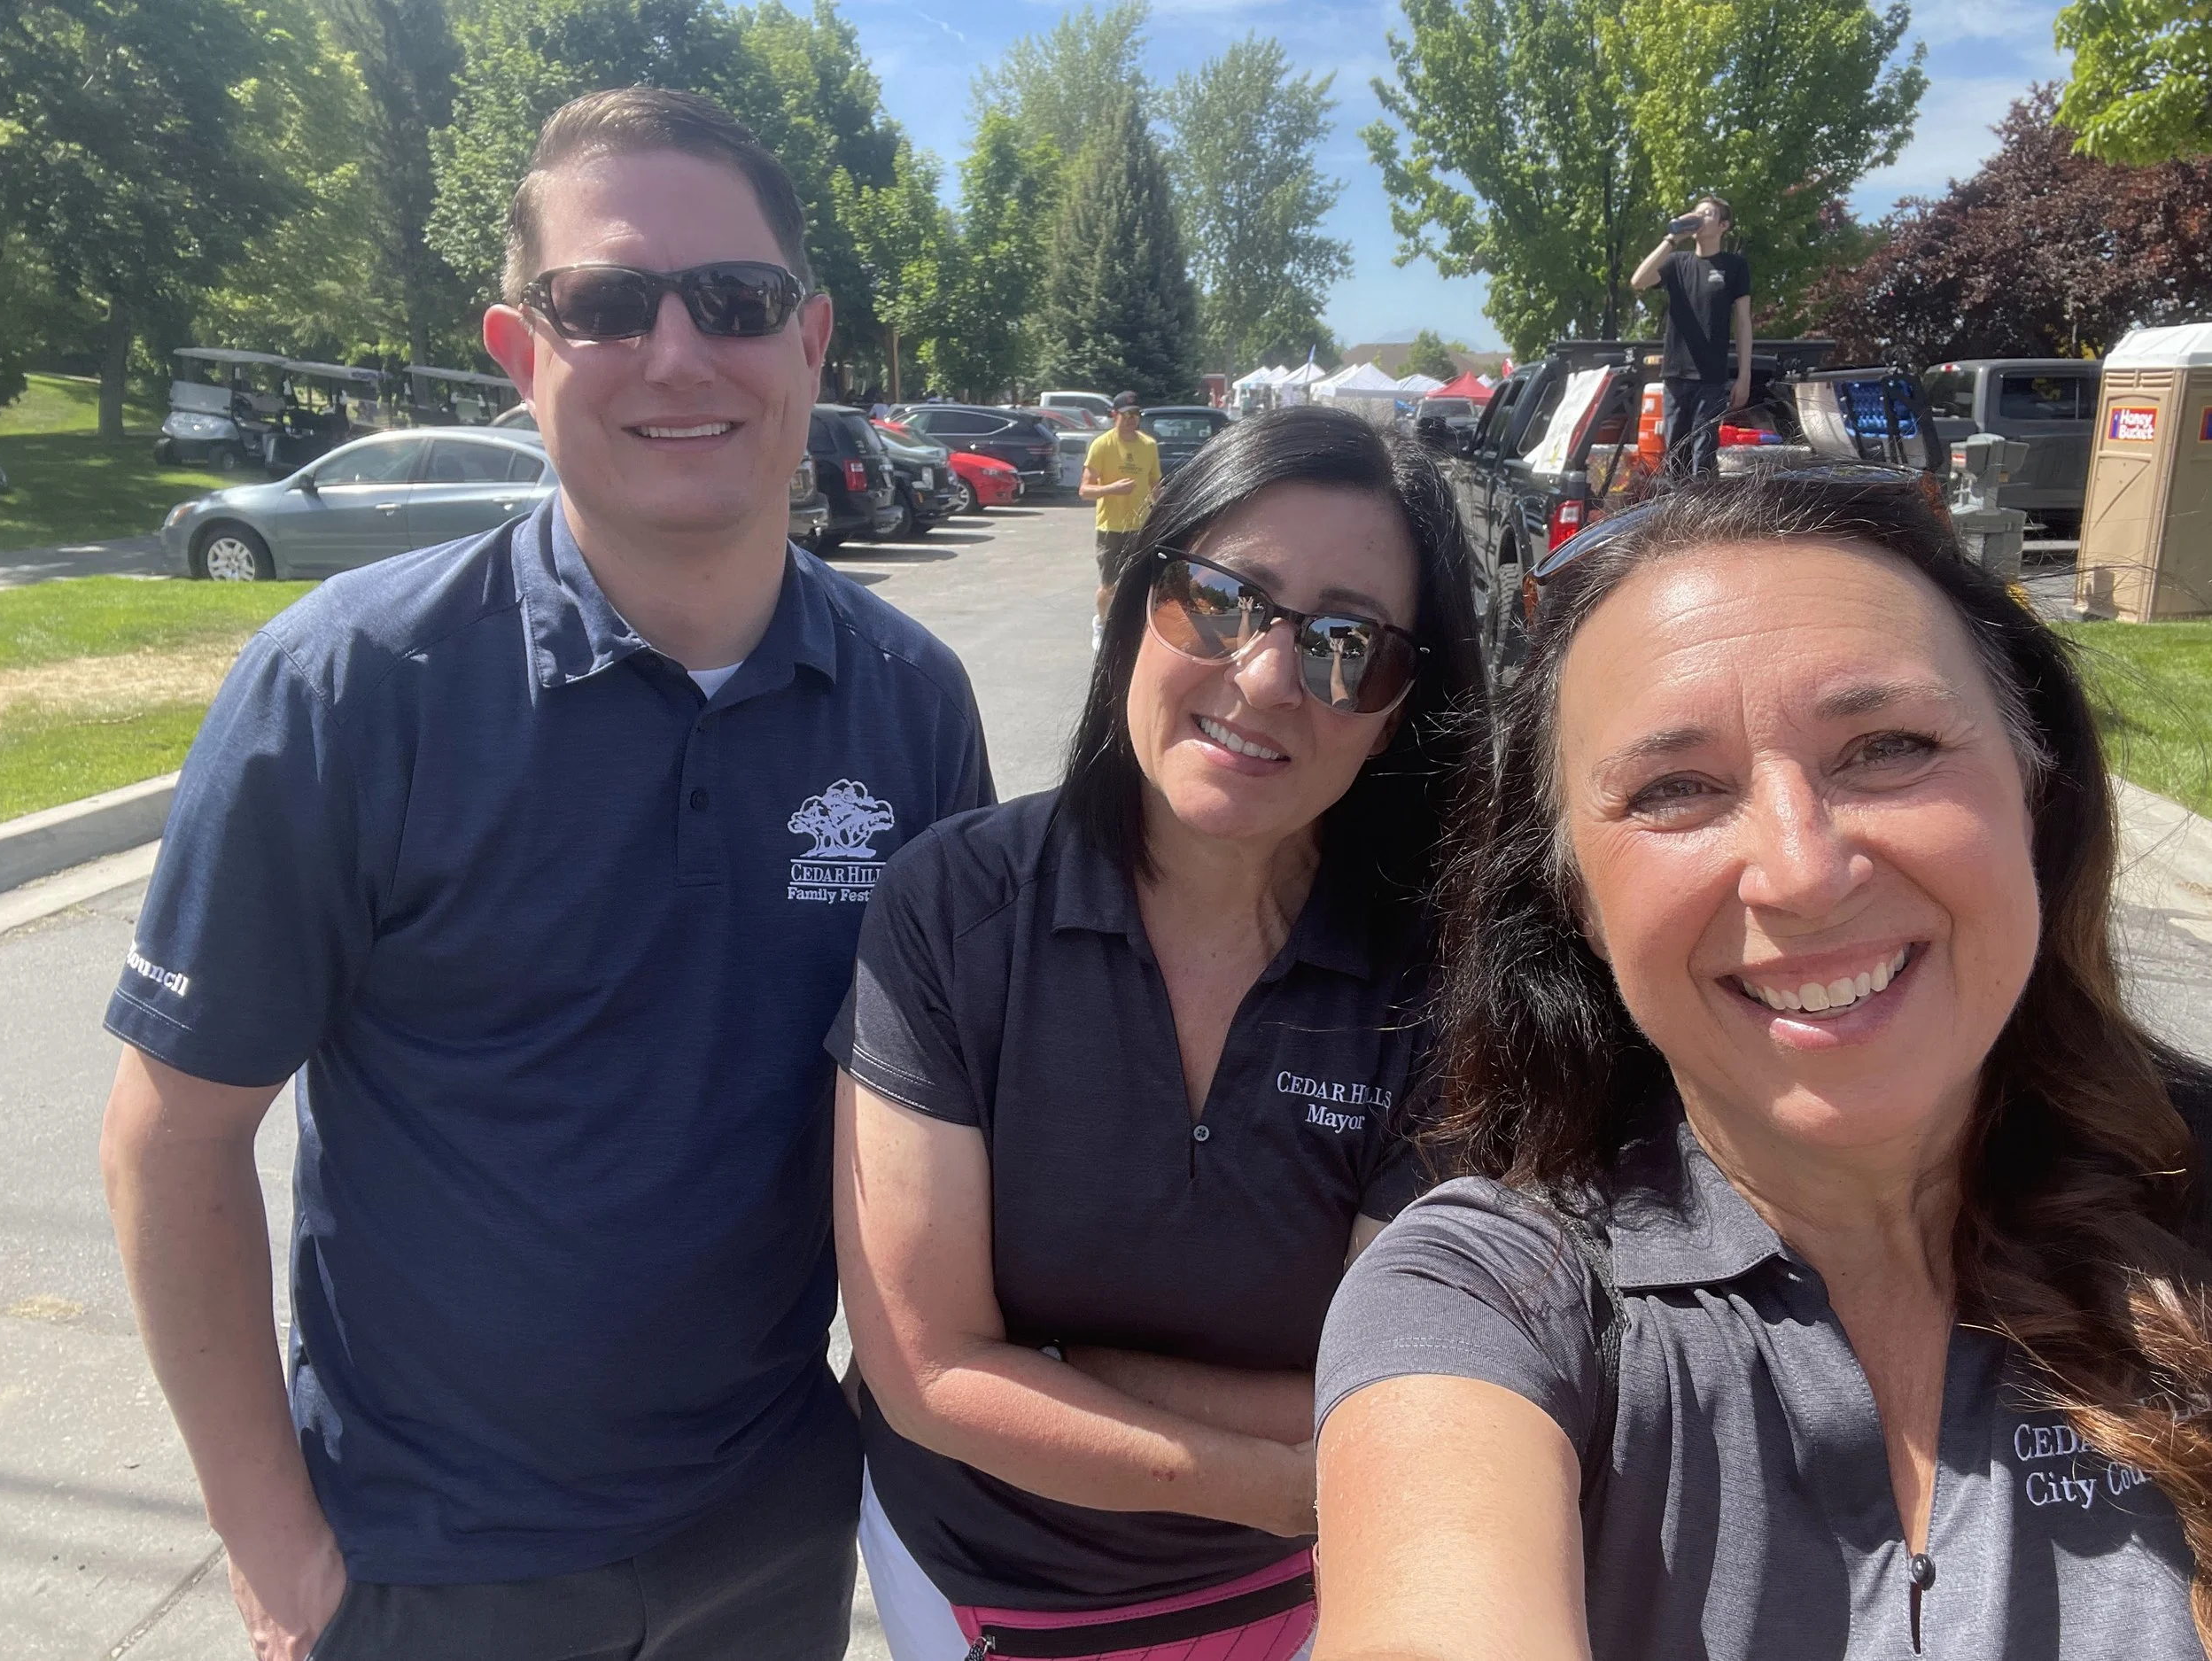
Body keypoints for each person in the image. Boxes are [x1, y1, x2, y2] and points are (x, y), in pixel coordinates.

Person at [99, 87, 991, 1661]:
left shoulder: (910, 701)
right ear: (520, 352)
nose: (678, 352)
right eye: (606, 303)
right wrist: (272, 1543)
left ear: (811, 343)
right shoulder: (346, 687)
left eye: (736, 299)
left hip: (770, 1535)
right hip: (423, 1564)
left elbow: (959, 1128)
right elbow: (171, 1135)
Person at [1310, 470, 2212, 1660]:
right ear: (1577, 899)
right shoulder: (1489, 1300)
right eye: (1675, 789)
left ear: (2035, 790)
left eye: (1888, 747)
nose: (1802, 871)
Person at [831, 404, 1486, 1659]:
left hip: (1297, 1608)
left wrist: (1059, 1363)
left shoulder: (1436, 976)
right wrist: (1287, 1481)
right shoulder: (954, 905)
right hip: (970, 1589)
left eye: (1348, 645)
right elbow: (924, 1371)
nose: (1267, 679)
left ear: (1401, 708)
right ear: (1136, 602)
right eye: (1223, 600)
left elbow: (1399, 1384)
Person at [1630, 194, 1751, 478]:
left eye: (1708, 214)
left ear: (1723, 225)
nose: (1699, 218)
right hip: (1675, 376)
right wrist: (1672, 238)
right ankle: (1677, 505)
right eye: (1697, 212)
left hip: (1711, 379)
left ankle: (1704, 504)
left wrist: (1744, 375)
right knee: (1676, 457)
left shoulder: (1734, 266)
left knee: (1703, 456)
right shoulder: (1677, 262)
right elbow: (1638, 281)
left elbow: (1743, 322)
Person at [1080, 390, 1162, 641]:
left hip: (1140, 525)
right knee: (1109, 585)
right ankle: (1102, 625)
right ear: (1114, 415)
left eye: (1136, 414)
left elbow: (1155, 486)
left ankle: (1131, 630)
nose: (1131, 419)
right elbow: (1084, 490)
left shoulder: (1148, 445)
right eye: (1126, 415)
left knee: (1139, 583)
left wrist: (1164, 510)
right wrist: (1111, 489)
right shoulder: (1102, 445)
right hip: (1111, 527)